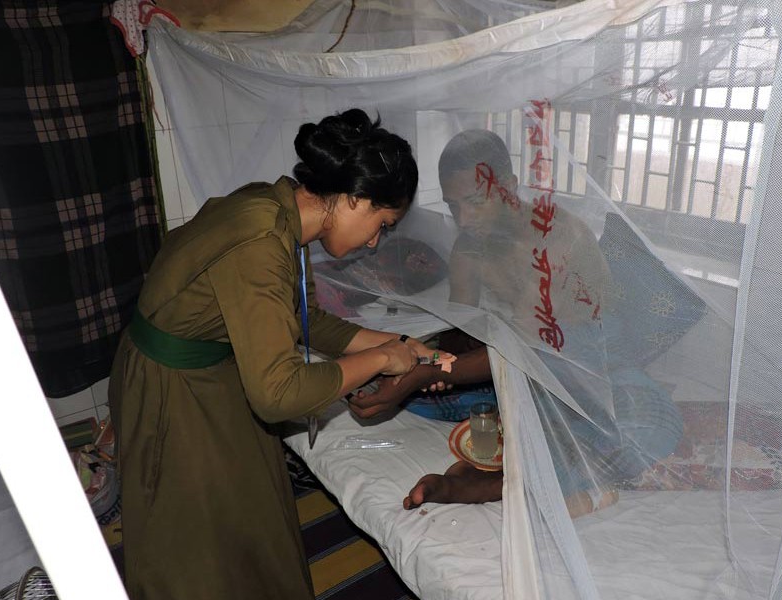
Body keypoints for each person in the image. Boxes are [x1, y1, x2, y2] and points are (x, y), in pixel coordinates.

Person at [108, 109, 449, 600]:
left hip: (209, 372)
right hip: (171, 389)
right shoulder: (263, 239)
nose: (375, 242)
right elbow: (278, 394)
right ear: (354, 199)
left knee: (255, 508)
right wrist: (378, 362)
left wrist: (394, 346)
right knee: (190, 539)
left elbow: (309, 320)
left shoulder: (278, 209)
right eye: (381, 224)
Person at [348, 129, 683, 515]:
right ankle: (530, 466)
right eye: (453, 205)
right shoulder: (469, 247)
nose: (464, 218)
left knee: (654, 427)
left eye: (475, 201)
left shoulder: (558, 238)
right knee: (400, 390)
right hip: (524, 370)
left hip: (595, 368)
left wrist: (429, 375)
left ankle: (489, 482)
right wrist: (427, 364)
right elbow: (466, 328)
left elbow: (528, 347)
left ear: (508, 186)